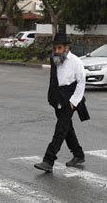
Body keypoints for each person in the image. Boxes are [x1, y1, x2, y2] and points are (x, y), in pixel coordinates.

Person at [34, 32, 90, 173]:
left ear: (66, 48)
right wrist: (52, 98)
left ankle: (48, 160)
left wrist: (74, 102)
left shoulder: (76, 62)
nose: (57, 51)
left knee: (60, 130)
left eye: (59, 48)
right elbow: (54, 81)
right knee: (67, 129)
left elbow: (81, 82)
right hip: (58, 99)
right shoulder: (55, 60)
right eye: (55, 49)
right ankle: (78, 154)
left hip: (70, 100)